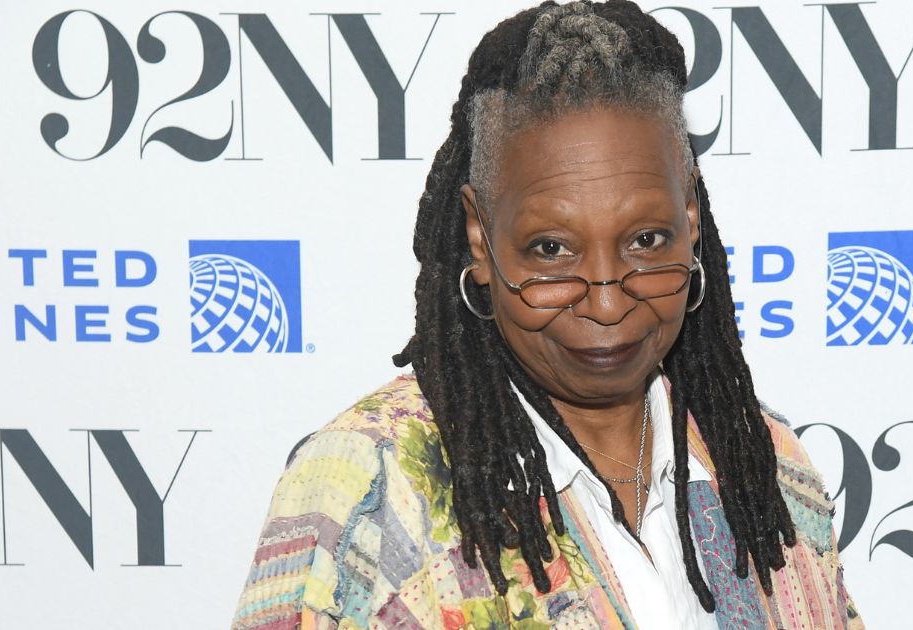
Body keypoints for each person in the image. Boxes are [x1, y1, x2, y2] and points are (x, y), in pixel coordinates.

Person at [230, 1, 864, 628]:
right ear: (480, 238)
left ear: (690, 219)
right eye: (551, 250)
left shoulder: (768, 466)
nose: (609, 301)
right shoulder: (369, 499)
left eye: (646, 240)